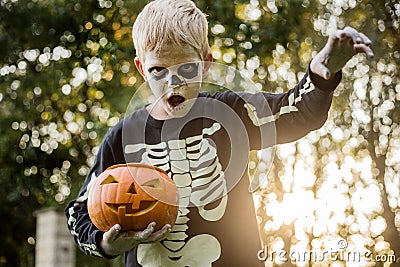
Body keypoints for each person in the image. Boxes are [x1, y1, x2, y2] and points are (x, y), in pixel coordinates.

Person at [65, 0, 374, 266]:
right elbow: (80, 212)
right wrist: (107, 244)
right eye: (159, 70)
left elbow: (296, 112)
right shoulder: (123, 136)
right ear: (142, 69)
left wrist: (322, 73)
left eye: (186, 68)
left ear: (206, 64)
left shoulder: (230, 114)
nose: (174, 84)